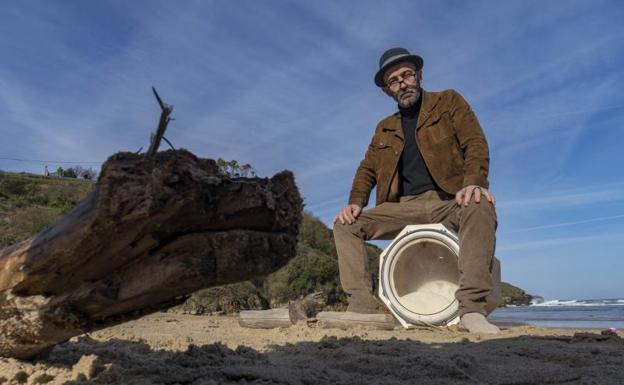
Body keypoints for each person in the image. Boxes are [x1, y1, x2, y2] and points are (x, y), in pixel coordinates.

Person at [333, 47, 500, 334]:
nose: (402, 83)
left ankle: (471, 309)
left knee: (480, 204)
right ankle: (363, 308)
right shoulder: (384, 128)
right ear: (387, 90)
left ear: (419, 75)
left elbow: (475, 143)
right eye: (394, 80)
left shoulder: (448, 101)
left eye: (407, 74)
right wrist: (355, 202)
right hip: (402, 207)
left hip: (447, 200)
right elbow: (366, 169)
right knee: (344, 225)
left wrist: (474, 182)